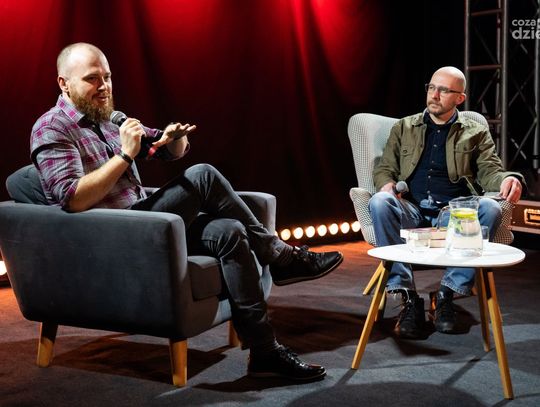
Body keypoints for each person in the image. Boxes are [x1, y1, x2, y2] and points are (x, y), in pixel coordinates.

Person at [30, 42, 344, 381]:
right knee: (203, 176)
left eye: (107, 77)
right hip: (113, 238)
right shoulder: (52, 128)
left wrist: (173, 139)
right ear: (64, 83)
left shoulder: (105, 118)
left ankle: (265, 351)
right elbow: (72, 198)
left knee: (230, 231)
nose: (104, 86)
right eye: (92, 79)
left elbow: (162, 149)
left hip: (148, 223)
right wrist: (124, 155)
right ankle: (280, 255)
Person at [369, 66, 523, 338]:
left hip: (452, 214)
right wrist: (386, 184)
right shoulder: (404, 127)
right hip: (412, 210)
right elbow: (385, 168)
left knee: (489, 207)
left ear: (459, 98)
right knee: (380, 202)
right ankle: (407, 297)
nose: (435, 95)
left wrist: (509, 178)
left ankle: (446, 294)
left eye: (443, 90)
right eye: (431, 87)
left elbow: (491, 171)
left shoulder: (475, 132)